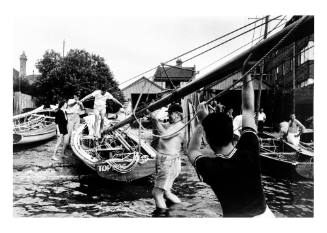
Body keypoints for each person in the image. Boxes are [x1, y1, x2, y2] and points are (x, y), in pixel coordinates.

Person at [187, 55, 273, 217]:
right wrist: (246, 73)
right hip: (264, 218)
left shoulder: (211, 168)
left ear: (207, 139)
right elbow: (248, 108)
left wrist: (200, 123)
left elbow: (191, 150)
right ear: (232, 133)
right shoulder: (249, 148)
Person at [149, 103, 185, 215]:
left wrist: (154, 119)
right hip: (168, 162)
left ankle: (163, 218)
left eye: (170, 113)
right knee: (167, 192)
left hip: (169, 162)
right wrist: (153, 118)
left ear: (178, 114)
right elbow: (160, 127)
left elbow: (164, 135)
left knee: (157, 193)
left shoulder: (179, 126)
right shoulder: (172, 125)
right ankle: (182, 208)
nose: (168, 115)